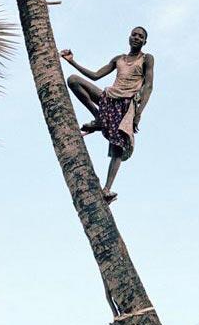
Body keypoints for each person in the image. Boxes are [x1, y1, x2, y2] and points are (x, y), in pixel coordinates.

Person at [61, 26, 154, 204]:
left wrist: (139, 112)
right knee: (73, 80)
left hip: (126, 105)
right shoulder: (118, 59)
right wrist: (72, 61)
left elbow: (148, 86)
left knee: (117, 147)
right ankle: (100, 119)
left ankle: (107, 189)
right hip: (109, 98)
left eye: (140, 36)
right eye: (134, 34)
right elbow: (96, 76)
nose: (136, 37)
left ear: (144, 42)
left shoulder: (146, 59)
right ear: (129, 37)